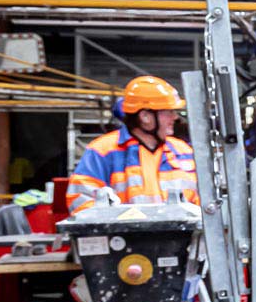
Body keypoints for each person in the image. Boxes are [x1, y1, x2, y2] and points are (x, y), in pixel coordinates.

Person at [66, 75, 198, 215]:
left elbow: (202, 201)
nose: (175, 117)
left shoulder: (183, 151)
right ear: (145, 116)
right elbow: (80, 201)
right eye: (168, 112)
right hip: (121, 236)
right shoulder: (102, 150)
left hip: (181, 236)